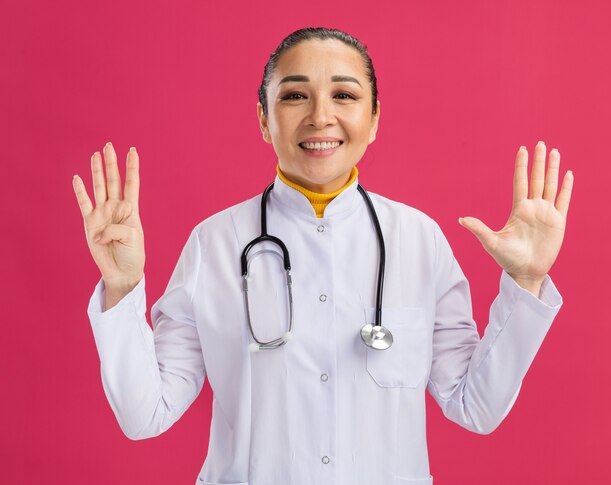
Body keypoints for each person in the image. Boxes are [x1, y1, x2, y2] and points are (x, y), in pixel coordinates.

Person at [72, 27, 574, 485]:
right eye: (294, 95)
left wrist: (526, 282)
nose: (320, 116)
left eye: (344, 95)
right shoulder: (215, 243)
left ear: (374, 119)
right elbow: (145, 415)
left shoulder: (418, 241)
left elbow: (476, 406)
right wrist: (122, 287)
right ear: (264, 120)